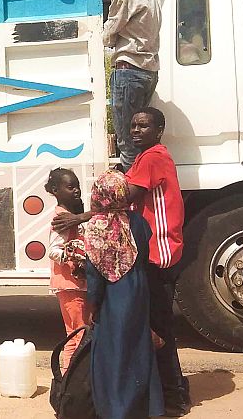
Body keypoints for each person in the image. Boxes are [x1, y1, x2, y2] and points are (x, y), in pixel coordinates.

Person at [81, 169, 164, 419]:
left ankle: (116, 408)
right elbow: (146, 243)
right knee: (139, 344)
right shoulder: (137, 221)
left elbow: (95, 274)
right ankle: (150, 406)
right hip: (138, 288)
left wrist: (93, 304)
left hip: (114, 294)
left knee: (113, 349)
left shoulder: (96, 227)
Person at [125, 107, 189, 415]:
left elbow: (122, 195)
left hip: (158, 255)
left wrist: (82, 215)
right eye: (134, 125)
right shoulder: (144, 157)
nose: (136, 130)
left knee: (159, 329)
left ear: (158, 130)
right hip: (153, 254)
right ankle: (168, 390)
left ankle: (174, 396)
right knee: (154, 326)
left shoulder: (152, 157)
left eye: (143, 126)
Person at [100, 0, 159, 171]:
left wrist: (110, 35)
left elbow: (107, 35)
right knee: (142, 143)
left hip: (128, 72)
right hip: (148, 72)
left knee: (127, 143)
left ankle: (132, 200)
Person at [45, 167, 87, 373]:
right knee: (78, 335)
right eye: (70, 187)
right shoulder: (62, 218)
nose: (76, 191)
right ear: (55, 190)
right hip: (71, 285)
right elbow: (53, 249)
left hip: (74, 285)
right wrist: (74, 259)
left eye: (77, 186)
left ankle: (68, 380)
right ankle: (72, 380)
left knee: (75, 334)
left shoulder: (71, 214)